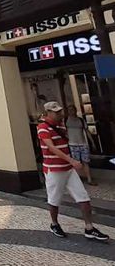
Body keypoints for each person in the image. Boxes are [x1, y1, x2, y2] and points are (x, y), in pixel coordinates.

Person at [39, 101, 108, 240]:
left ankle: (89, 227)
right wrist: (72, 160)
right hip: (54, 169)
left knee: (83, 198)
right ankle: (54, 224)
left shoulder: (61, 125)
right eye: (56, 112)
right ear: (48, 113)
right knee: (54, 200)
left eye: (60, 111)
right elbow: (52, 148)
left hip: (68, 169)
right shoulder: (43, 128)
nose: (59, 114)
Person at [65, 105, 96, 186]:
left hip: (83, 143)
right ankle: (78, 179)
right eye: (69, 110)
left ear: (75, 110)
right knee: (76, 163)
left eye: (72, 110)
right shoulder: (65, 120)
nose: (71, 111)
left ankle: (89, 179)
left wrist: (92, 142)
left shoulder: (81, 120)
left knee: (86, 162)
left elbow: (87, 131)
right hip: (72, 144)